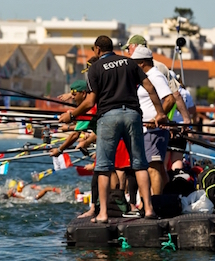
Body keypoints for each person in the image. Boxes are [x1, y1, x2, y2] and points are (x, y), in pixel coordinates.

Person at [59, 36, 167, 223]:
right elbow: (149, 87)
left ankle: (102, 214)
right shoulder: (129, 62)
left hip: (108, 117)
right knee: (140, 164)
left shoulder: (95, 68)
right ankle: (149, 209)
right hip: (133, 115)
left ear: (98, 50)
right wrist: (160, 113)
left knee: (103, 167)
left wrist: (72, 115)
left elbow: (91, 101)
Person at [131, 46, 175, 195]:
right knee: (158, 168)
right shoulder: (146, 77)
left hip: (154, 130)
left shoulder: (155, 76)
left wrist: (157, 117)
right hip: (146, 130)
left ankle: (156, 203)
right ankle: (165, 199)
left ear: (142, 63)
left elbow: (170, 99)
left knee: (153, 167)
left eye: (135, 63)